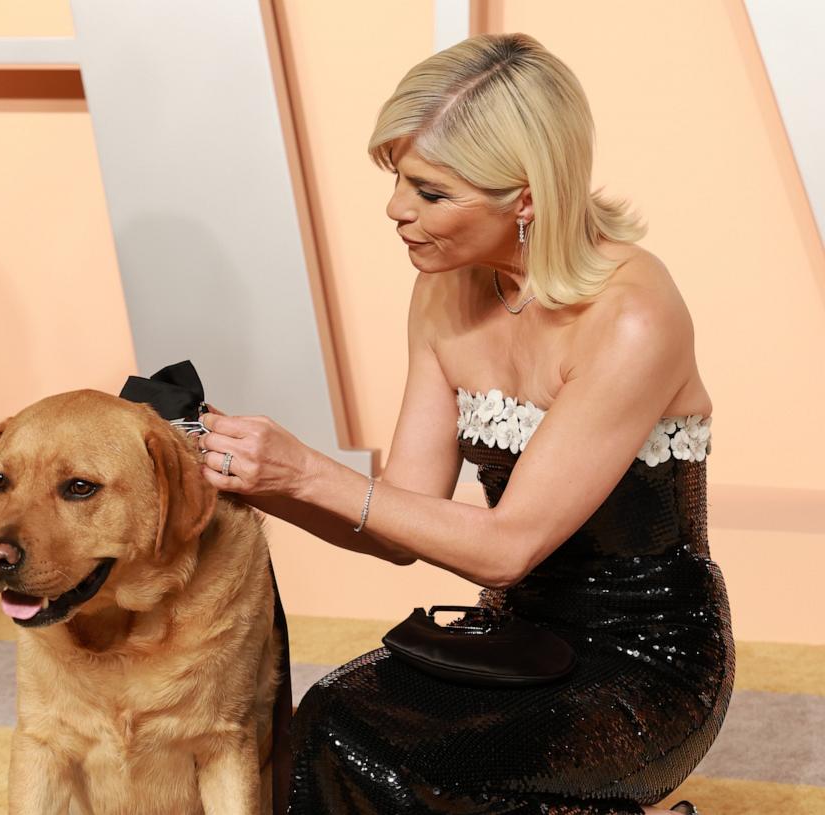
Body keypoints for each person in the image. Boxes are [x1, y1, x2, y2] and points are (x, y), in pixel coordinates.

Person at [194, 32, 733, 815]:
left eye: (431, 192)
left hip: (646, 662)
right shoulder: (447, 289)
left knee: (418, 776)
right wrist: (243, 468)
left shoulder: (632, 315)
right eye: (397, 180)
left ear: (526, 196)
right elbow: (394, 527)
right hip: (516, 643)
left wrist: (309, 469)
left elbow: (505, 549)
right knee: (333, 724)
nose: (397, 209)